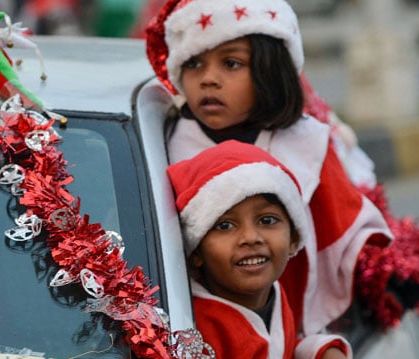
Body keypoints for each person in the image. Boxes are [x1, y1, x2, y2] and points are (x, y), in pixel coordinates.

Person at [145, 0, 394, 336]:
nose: (208, 79)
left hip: (298, 331)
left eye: (231, 63)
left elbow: (346, 233)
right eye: (193, 63)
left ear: (271, 70)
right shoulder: (166, 146)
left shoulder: (308, 143)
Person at [167, 140, 371, 359]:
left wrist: (320, 355)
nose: (250, 237)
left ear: (294, 239)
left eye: (267, 220)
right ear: (196, 252)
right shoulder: (199, 334)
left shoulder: (272, 295)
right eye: (225, 225)